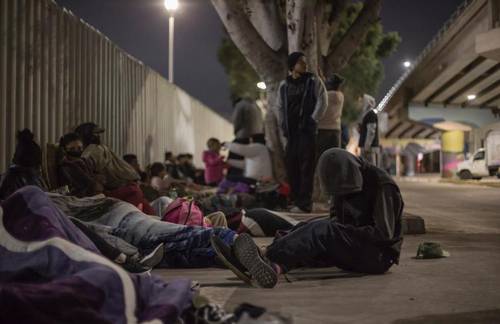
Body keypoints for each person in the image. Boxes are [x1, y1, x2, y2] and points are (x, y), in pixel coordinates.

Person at [213, 148, 403, 288]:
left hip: (377, 257)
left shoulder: (382, 185)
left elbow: (383, 235)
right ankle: (275, 266)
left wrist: (337, 233)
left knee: (321, 230)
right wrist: (332, 233)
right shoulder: (342, 177)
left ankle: (264, 255)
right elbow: (336, 219)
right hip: (356, 246)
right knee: (307, 230)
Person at [277, 52, 327, 213]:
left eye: (305, 62)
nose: (305, 65)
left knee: (307, 167)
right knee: (292, 167)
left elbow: (322, 100)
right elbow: (278, 106)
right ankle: (296, 200)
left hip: (306, 131)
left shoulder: (313, 81)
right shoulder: (284, 85)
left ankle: (305, 203)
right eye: (301, 62)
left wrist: (313, 119)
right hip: (291, 134)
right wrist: (282, 124)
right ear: (292, 65)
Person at [74, 122, 155, 214]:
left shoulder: (95, 150)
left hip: (125, 189)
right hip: (126, 189)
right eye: (95, 134)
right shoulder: (94, 151)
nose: (98, 136)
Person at [0, 129, 48, 199]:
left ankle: (2, 194)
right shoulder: (35, 146)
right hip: (34, 170)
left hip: (23, 169)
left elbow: (16, 159)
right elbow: (39, 160)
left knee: (10, 172)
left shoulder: (21, 144)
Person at [57, 132, 104, 198]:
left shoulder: (84, 161)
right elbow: (89, 186)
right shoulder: (67, 167)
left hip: (98, 193)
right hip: (85, 198)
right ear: (64, 149)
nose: (76, 151)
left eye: (79, 148)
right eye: (72, 149)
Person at [317, 74, 344, 159]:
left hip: (323, 129)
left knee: (321, 155)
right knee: (335, 156)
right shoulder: (340, 96)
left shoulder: (327, 95)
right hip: (336, 130)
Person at [358, 94, 380, 166]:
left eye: (362, 102)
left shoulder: (371, 114)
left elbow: (371, 131)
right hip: (367, 147)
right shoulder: (367, 114)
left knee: (371, 168)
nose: (360, 103)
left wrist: (367, 146)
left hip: (369, 148)